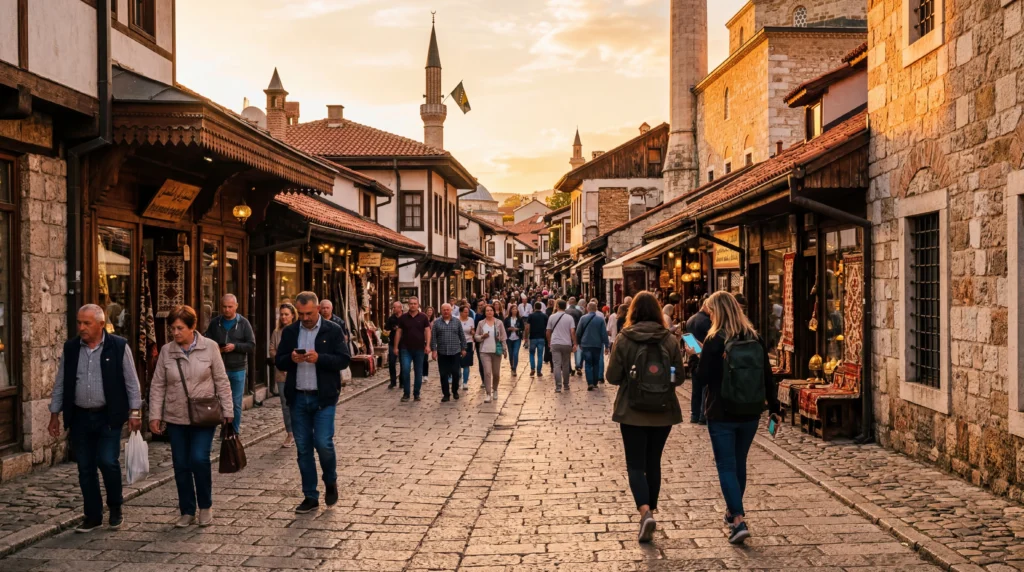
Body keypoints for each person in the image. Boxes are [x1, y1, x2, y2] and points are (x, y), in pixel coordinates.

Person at [688, 291, 776, 545]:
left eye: (711, 311)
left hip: (722, 410)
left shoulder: (715, 340)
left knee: (726, 465)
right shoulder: (754, 337)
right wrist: (774, 408)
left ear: (717, 312)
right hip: (750, 411)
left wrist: (694, 356)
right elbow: (767, 376)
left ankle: (738, 519)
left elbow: (702, 378)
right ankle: (731, 511)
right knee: (739, 463)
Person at [48, 304, 143, 532]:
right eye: (79, 322)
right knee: (85, 467)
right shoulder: (71, 348)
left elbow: (132, 382)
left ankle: (116, 507)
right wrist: (54, 415)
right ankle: (92, 515)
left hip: (108, 416)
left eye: (86, 323)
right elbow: (61, 383)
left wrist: (135, 412)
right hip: (80, 416)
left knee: (107, 461)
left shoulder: (118, 346)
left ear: (101, 324)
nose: (81, 327)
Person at [606, 291, 685, 544]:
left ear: (633, 312)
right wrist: (664, 383)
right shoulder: (669, 339)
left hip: (632, 410)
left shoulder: (624, 338)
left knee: (635, 465)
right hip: (663, 410)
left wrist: (632, 378)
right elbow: (679, 377)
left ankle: (645, 512)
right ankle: (651, 508)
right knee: (653, 463)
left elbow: (612, 377)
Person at [150, 305, 234, 528]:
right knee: (181, 464)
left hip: (203, 415)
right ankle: (187, 510)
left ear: (192, 327)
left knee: (198, 459)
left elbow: (221, 381)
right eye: (172, 328)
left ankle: (205, 506)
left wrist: (228, 411)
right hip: (176, 416)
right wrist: (155, 415)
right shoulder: (167, 351)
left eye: (180, 328)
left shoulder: (210, 348)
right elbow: (158, 384)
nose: (175, 333)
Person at [274, 291, 350, 514]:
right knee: (303, 448)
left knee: (323, 443)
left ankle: (330, 480)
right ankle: (310, 495)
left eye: (308, 313)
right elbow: (279, 361)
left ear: (318, 309)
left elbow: (344, 359)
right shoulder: (290, 332)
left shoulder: (332, 330)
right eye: (301, 313)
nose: (305, 317)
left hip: (323, 397)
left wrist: (320, 358)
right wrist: (291, 359)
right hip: (298, 397)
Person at [203, 294, 254, 437]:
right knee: (218, 401)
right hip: (219, 369)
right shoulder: (215, 323)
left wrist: (235, 347)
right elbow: (207, 342)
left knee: (236, 402)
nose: (227, 310)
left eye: (230, 307)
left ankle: (233, 430)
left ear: (236, 306)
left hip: (237, 368)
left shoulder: (243, 323)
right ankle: (222, 428)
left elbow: (251, 345)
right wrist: (217, 348)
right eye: (224, 307)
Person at [393, 296, 431, 402]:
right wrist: (396, 347)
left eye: (415, 303)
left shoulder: (423, 317)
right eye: (411, 303)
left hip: (419, 349)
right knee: (405, 370)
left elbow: (427, 331)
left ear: (418, 305)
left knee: (418, 372)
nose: (413, 305)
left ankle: (416, 393)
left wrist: (428, 345)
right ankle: (406, 393)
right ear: (408, 305)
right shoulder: (403, 318)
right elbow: (399, 332)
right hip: (405, 348)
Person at [269, 303, 297, 447]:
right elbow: (272, 349)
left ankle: (300, 430)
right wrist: (282, 359)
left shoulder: (297, 330)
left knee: (296, 403)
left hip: (295, 371)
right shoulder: (277, 332)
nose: (284, 317)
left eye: (287, 314)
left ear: (293, 315)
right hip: (281, 373)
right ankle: (290, 433)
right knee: (285, 404)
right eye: (282, 314)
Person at [431, 303, 467, 402]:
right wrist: (433, 351)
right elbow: (433, 338)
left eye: (448, 310)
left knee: (456, 373)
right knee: (443, 374)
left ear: (451, 310)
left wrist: (463, 348)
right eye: (444, 310)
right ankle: (446, 394)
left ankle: (455, 391)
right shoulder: (437, 323)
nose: (446, 311)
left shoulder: (456, 322)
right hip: (442, 352)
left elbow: (462, 335)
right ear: (441, 311)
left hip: (455, 351)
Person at [685, 296, 712, 424]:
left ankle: (694, 415)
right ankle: (702, 416)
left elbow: (688, 338)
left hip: (692, 356)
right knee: (704, 388)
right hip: (703, 356)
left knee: (696, 388)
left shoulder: (690, 319)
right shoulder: (706, 321)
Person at [474, 304, 507, 403]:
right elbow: (476, 336)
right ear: (485, 312)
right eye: (487, 310)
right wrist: (482, 337)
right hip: (484, 351)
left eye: (491, 310)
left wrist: (504, 349)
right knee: (487, 372)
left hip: (496, 351)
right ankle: (488, 393)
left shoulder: (499, 323)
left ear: (493, 311)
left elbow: (503, 337)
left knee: (496, 373)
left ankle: (495, 389)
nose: (489, 312)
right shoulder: (481, 323)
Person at [576, 301, 610, 390]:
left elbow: (578, 332)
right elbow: (604, 334)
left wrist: (578, 343)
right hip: (597, 344)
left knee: (588, 363)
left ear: (587, 308)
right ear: (596, 309)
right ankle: (595, 382)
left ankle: (590, 382)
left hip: (586, 344)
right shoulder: (600, 320)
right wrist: (606, 345)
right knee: (596, 363)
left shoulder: (583, 319)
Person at [546, 299, 577, 393]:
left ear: (557, 306)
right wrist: (574, 343)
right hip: (566, 343)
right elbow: (572, 331)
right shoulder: (569, 318)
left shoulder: (552, 317)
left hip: (555, 343)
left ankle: (558, 386)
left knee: (557, 365)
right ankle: (566, 385)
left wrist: (549, 341)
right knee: (565, 365)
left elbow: (548, 331)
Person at [524, 302, 548, 377]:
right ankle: (539, 371)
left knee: (531, 354)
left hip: (533, 337)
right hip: (541, 337)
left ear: (534, 307)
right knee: (540, 355)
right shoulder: (545, 316)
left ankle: (532, 368)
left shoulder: (531, 316)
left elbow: (527, 327)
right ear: (541, 307)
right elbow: (547, 328)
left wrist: (526, 337)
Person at [385, 301, 403, 389]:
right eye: (393, 307)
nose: (393, 309)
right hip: (392, 343)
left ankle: (402, 381)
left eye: (395, 307)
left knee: (403, 363)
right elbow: (386, 329)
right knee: (392, 362)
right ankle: (393, 381)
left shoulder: (404, 318)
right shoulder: (391, 318)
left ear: (400, 308)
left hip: (403, 344)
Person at [459, 305, 476, 391]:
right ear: (461, 312)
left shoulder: (471, 320)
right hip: (458, 343)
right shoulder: (456, 320)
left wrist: (472, 331)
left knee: (466, 363)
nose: (467, 313)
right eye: (465, 312)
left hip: (468, 342)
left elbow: (473, 331)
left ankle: (465, 382)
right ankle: (458, 378)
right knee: (457, 363)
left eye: (467, 312)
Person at [565, 297, 584, 376]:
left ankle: (569, 368)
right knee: (577, 349)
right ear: (576, 303)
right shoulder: (579, 312)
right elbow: (581, 324)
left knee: (568, 351)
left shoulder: (565, 312)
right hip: (576, 332)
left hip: (567, 333)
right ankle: (578, 366)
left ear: (569, 303)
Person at [504, 304, 524, 376]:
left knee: (515, 353)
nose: (514, 310)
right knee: (511, 353)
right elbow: (504, 328)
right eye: (513, 309)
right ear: (511, 310)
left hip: (517, 338)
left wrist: (517, 329)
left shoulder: (519, 319)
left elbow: (523, 328)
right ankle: (512, 366)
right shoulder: (507, 319)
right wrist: (508, 329)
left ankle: (514, 368)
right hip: (509, 338)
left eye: (515, 309)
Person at [423, 306, 436, 380]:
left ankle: (425, 374)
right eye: (428, 310)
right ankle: (422, 374)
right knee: (422, 358)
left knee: (425, 358)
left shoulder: (434, 320)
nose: (430, 312)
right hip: (422, 340)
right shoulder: (423, 319)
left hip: (429, 340)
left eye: (431, 310)